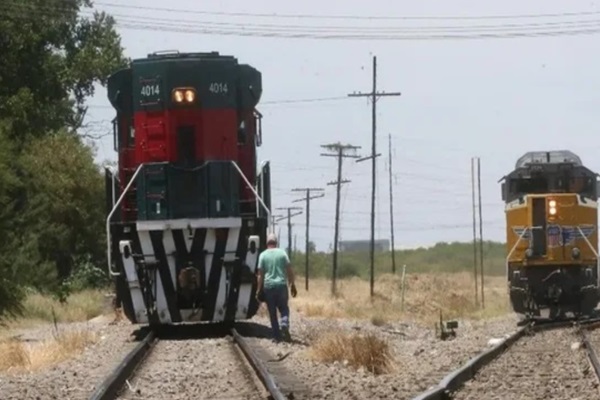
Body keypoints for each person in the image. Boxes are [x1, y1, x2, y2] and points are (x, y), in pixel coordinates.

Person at [256, 233, 297, 342]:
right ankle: (284, 323)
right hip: (281, 286)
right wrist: (292, 284)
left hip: (268, 287)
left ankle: (277, 337)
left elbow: (260, 275)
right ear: (276, 243)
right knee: (284, 308)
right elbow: (289, 270)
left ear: (267, 243)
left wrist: (258, 289)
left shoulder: (263, 255)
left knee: (272, 312)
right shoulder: (282, 253)